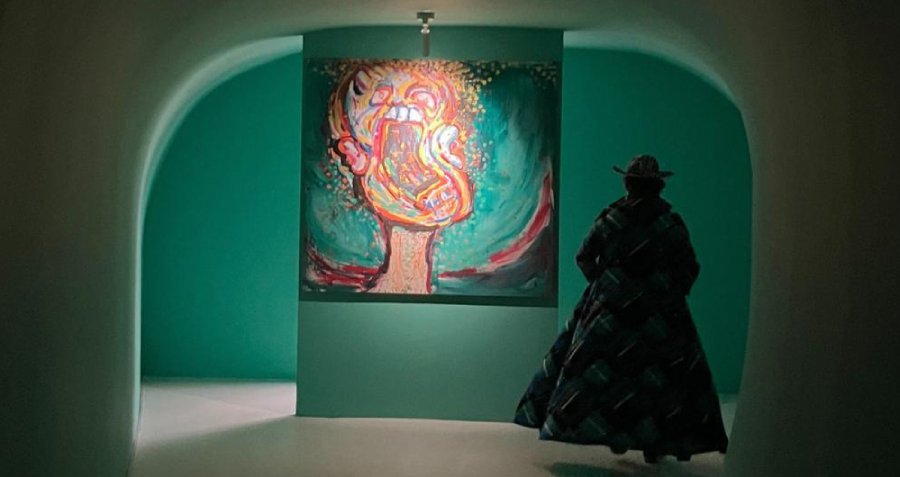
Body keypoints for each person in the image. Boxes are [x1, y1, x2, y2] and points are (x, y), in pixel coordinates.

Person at [514, 155, 728, 463]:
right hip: (661, 315)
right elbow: (689, 265)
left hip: (610, 314)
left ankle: (615, 433)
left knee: (604, 376)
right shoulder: (669, 221)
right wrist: (669, 293)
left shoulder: (612, 218)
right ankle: (655, 443)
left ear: (629, 184)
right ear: (658, 186)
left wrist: (605, 286)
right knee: (662, 379)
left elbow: (584, 256)